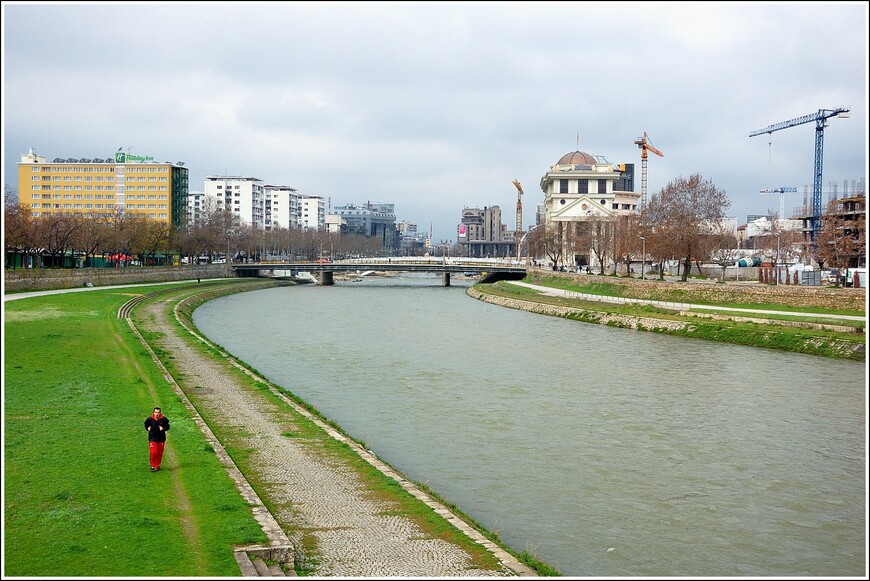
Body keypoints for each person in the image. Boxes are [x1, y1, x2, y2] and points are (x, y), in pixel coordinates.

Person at [144, 406, 170, 472]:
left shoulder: (164, 419)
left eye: (158, 412)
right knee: (153, 452)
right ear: (153, 413)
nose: (157, 414)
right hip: (152, 438)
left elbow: (168, 426)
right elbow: (146, 424)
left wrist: (163, 428)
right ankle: (153, 466)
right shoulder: (150, 419)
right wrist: (148, 428)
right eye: (156, 412)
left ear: (160, 413)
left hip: (161, 439)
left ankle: (157, 466)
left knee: (159, 453)